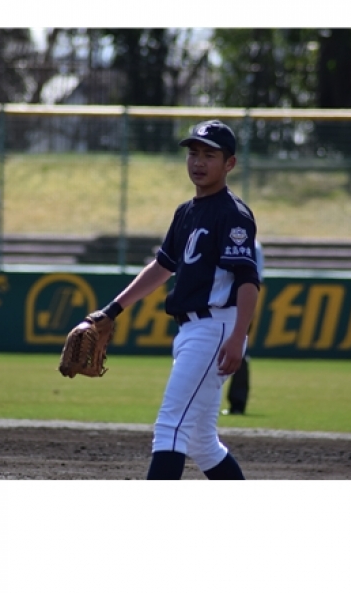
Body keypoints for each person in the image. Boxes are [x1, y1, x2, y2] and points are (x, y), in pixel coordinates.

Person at [97, 120, 260, 479]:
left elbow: (248, 280)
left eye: (209, 155)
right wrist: (113, 310)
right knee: (202, 442)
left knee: (171, 426)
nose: (198, 162)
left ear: (229, 164)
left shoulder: (233, 214)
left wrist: (238, 337)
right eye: (193, 153)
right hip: (192, 330)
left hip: (215, 328)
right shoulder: (186, 212)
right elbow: (162, 266)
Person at [223, 239, 264, 415]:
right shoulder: (252, 244)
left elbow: (252, 279)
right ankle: (236, 403)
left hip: (237, 305)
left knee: (238, 351)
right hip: (232, 304)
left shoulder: (250, 245)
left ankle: (237, 402)